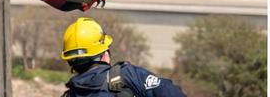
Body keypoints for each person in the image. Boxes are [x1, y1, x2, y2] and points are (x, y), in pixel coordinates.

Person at [60, 17, 188, 97]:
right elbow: (170, 92)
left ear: (71, 62)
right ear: (105, 55)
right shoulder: (128, 76)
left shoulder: (69, 95)